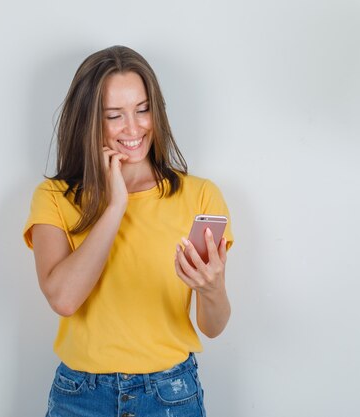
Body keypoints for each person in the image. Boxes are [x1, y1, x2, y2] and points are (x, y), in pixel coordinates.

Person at [23, 45, 234, 417]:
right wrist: (115, 206)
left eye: (142, 109)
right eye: (114, 115)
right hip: (80, 397)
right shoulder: (54, 197)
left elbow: (212, 327)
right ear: (90, 121)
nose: (134, 128)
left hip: (170, 394)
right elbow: (64, 299)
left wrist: (211, 287)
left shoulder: (200, 196)